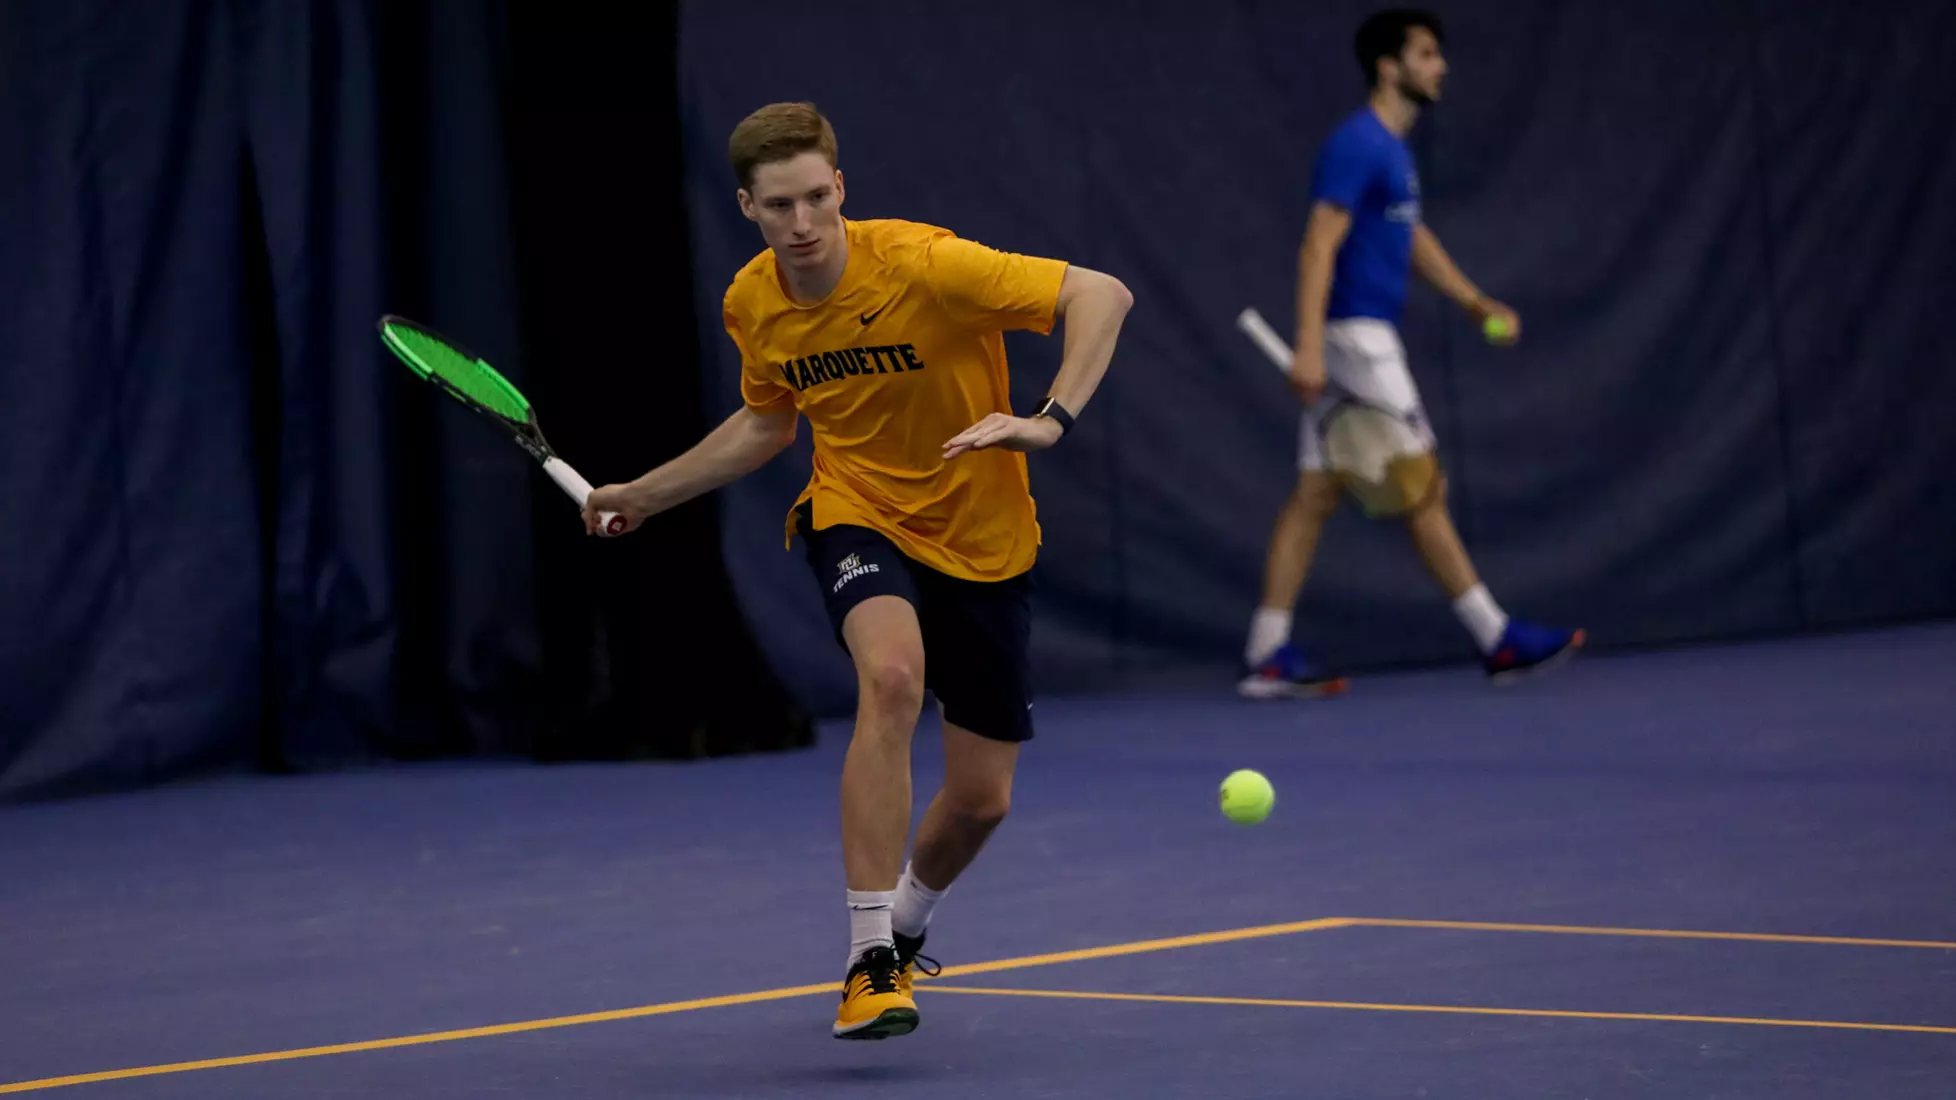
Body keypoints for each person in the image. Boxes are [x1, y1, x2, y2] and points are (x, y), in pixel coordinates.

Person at [583, 102, 1133, 1039]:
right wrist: (649, 491)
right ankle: (870, 960)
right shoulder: (751, 301)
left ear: (839, 189)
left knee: (980, 801)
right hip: (858, 512)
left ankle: (910, 925)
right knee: (890, 679)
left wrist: (1049, 418)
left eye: (814, 200)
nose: (800, 225)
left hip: (985, 535)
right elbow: (769, 422)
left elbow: (1102, 294)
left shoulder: (927, 265)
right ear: (748, 206)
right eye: (777, 206)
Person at [1240, 8, 1583, 699]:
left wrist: (1475, 301)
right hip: (1355, 340)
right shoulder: (1358, 144)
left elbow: (1412, 238)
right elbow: (1318, 246)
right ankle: (1496, 637)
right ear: (1389, 67)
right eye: (1427, 54)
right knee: (1422, 487)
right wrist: (1309, 346)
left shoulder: (1393, 153)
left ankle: (1267, 651)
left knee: (1314, 495)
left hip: (1352, 337)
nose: (1441, 66)